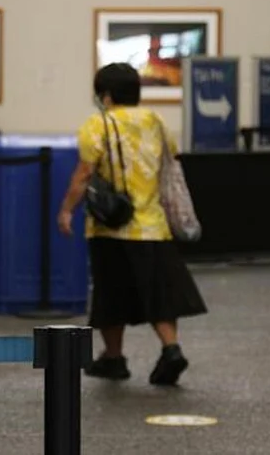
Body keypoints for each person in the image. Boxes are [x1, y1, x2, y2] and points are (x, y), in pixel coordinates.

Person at [57, 62, 207, 386]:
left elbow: (84, 174)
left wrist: (67, 210)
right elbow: (170, 162)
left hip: (112, 227)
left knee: (111, 294)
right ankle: (171, 348)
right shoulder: (156, 121)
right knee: (159, 293)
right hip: (154, 225)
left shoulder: (98, 124)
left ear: (106, 95)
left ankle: (114, 358)